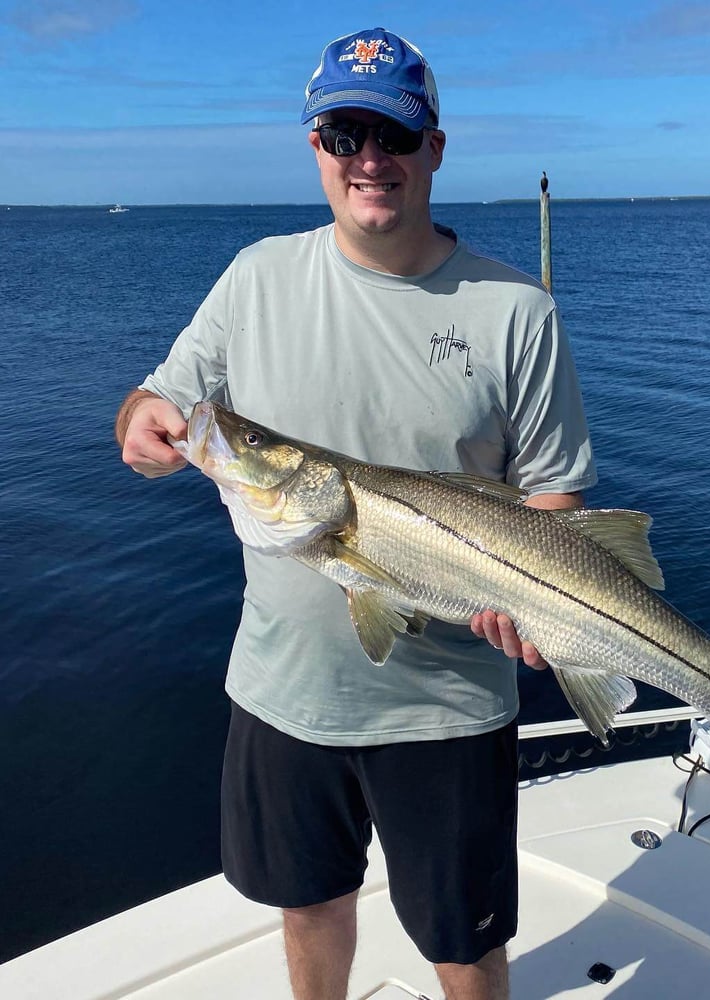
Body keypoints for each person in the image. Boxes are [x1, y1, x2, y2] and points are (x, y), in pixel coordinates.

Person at [115, 27, 596, 1000]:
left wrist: (542, 615)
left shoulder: (516, 310)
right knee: (310, 905)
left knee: (462, 944)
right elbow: (155, 401)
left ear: (434, 148)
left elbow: (555, 497)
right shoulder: (256, 277)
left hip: (450, 708)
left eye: (393, 134)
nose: (369, 158)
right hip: (283, 693)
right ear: (316, 148)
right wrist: (143, 423)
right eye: (344, 134)